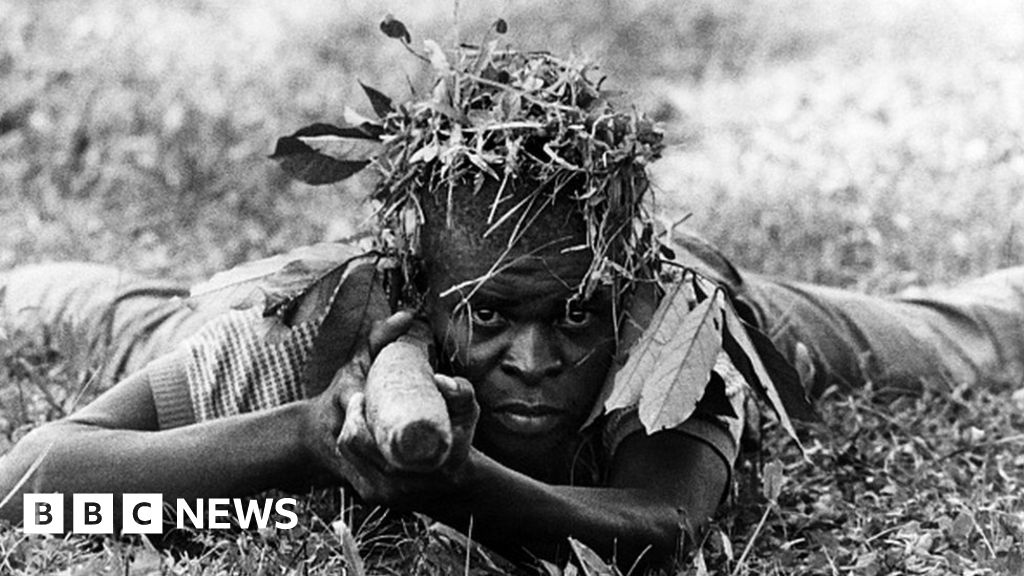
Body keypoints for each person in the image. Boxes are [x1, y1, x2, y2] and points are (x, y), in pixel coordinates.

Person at [1, 47, 1023, 571]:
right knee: (104, 311)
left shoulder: (668, 325)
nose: (534, 356)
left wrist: (460, 481)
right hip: (250, 310)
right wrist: (304, 440)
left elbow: (662, 525)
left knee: (962, 336)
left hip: (772, 317)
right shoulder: (318, 325)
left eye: (574, 317)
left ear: (620, 290)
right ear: (424, 298)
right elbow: (30, 488)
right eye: (490, 316)